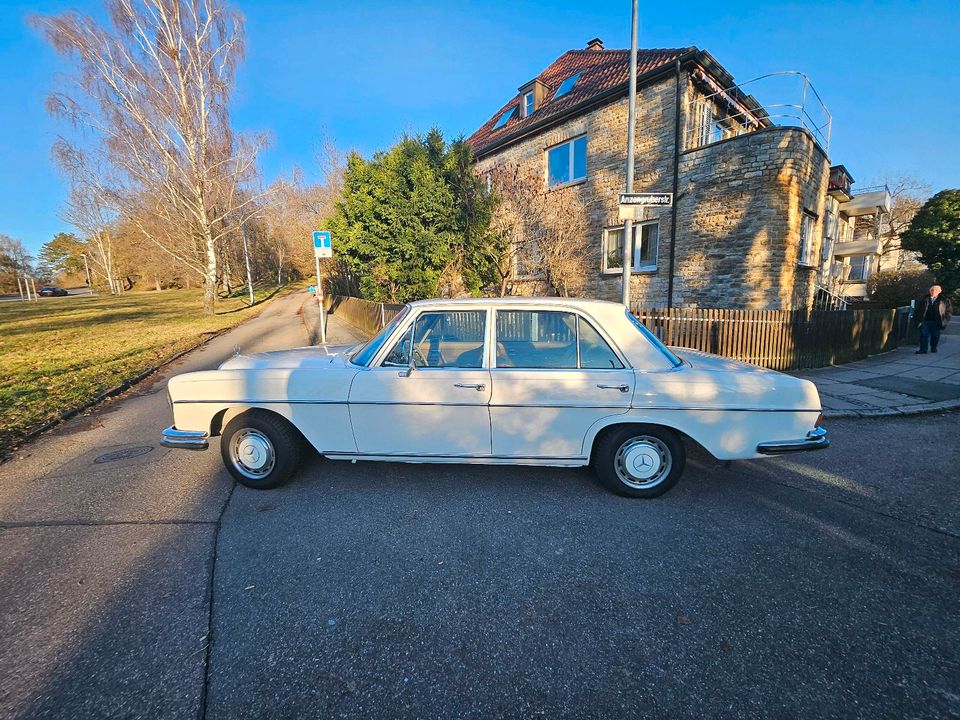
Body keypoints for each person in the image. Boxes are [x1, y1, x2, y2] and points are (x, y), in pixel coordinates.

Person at [915, 284, 952, 354]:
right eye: (932, 290)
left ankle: (933, 347)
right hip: (925, 320)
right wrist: (918, 320)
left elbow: (948, 311)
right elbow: (918, 309)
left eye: (936, 290)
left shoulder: (944, 300)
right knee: (923, 334)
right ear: (929, 290)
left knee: (935, 336)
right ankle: (923, 349)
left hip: (937, 321)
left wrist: (945, 320)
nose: (933, 291)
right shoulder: (924, 298)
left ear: (939, 291)